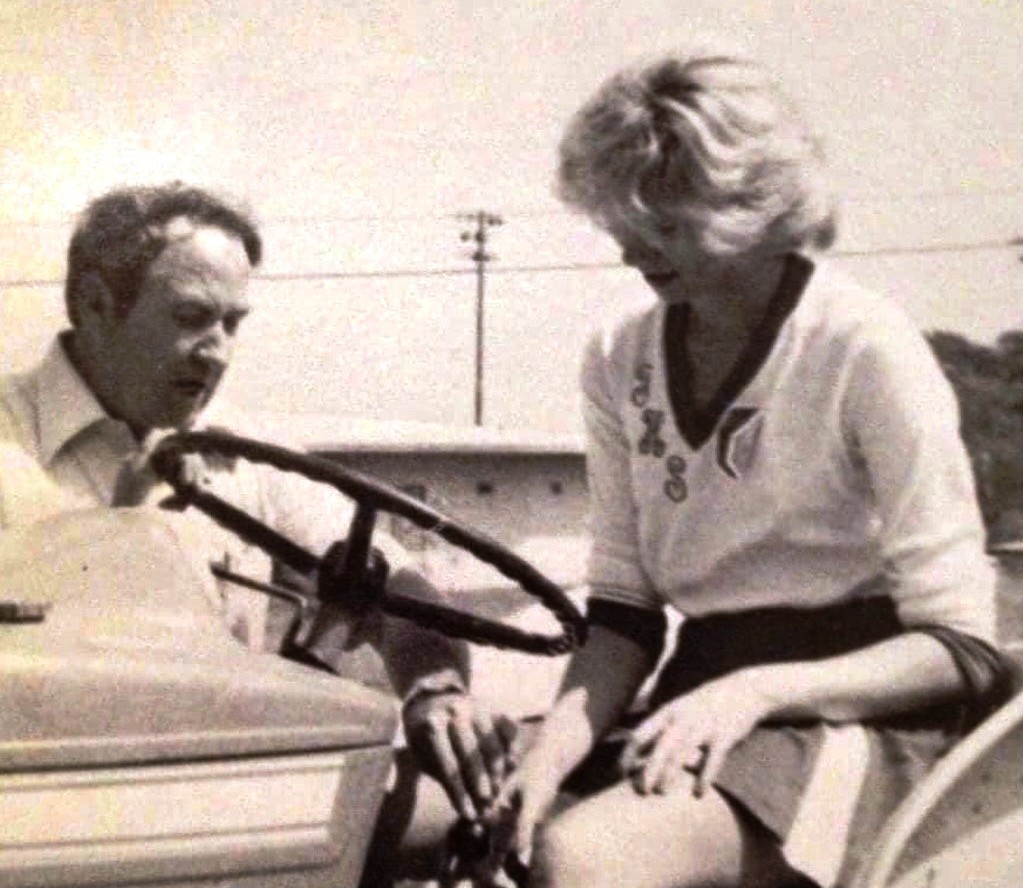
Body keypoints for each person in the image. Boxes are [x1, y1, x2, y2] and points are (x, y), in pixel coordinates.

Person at [495, 49, 1015, 888]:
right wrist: (548, 755)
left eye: (665, 226)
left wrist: (755, 692)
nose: (630, 251)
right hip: (698, 699)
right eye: (620, 222)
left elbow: (963, 647)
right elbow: (623, 615)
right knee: (459, 811)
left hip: (861, 719)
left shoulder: (861, 345)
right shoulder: (618, 354)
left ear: (753, 206)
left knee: (580, 859)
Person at [0, 182, 512, 882]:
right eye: (191, 318)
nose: (217, 352)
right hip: (49, 808)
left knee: (504, 802)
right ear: (95, 304)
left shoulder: (243, 458)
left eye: (233, 324)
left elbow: (400, 586)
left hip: (233, 792)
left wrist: (435, 690)